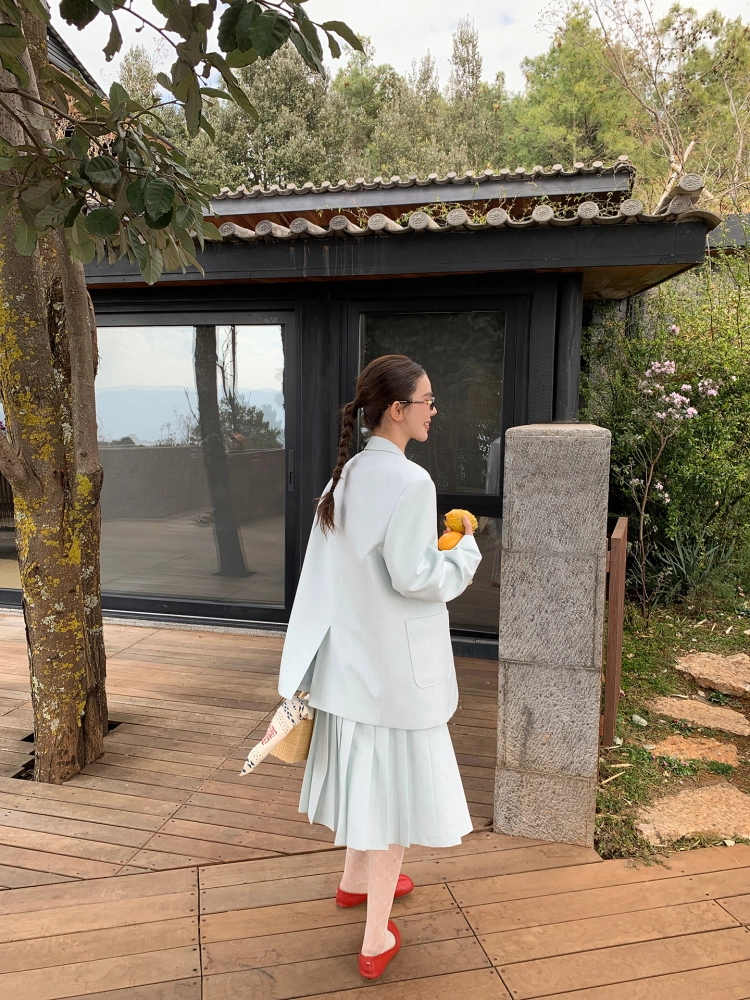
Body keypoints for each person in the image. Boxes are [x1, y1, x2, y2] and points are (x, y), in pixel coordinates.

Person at [277, 354, 481, 980]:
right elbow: (415, 576)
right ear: (397, 409)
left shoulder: (344, 477)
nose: (433, 410)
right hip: (394, 674)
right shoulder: (411, 482)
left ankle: (355, 881)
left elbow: (341, 574)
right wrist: (464, 549)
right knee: (392, 801)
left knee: (367, 784)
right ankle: (374, 939)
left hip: (347, 670)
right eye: (426, 400)